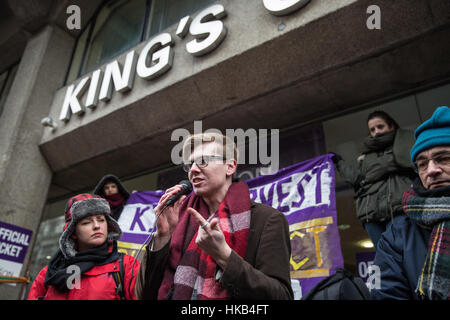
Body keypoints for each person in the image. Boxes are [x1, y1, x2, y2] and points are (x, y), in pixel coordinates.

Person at [135, 132, 293, 300]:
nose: (193, 170)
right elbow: (149, 293)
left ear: (230, 167)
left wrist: (224, 256)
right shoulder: (179, 221)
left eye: (203, 161)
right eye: (190, 164)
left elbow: (280, 296)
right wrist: (163, 237)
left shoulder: (268, 220)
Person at [371, 106, 450, 300]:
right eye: (422, 164)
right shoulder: (396, 234)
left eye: (444, 158)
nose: (431, 170)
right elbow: (383, 294)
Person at [27, 193, 140, 300]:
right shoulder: (49, 273)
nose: (96, 226)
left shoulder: (127, 266)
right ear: (73, 232)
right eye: (87, 222)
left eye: (101, 220)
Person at [332, 111, 415, 248]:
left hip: (399, 208)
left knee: (407, 253)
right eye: (372, 129)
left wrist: (370, 176)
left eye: (380, 127)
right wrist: (339, 163)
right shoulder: (366, 154)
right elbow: (358, 180)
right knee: (385, 259)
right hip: (369, 214)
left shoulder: (404, 141)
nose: (376, 132)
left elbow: (404, 161)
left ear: (392, 126)